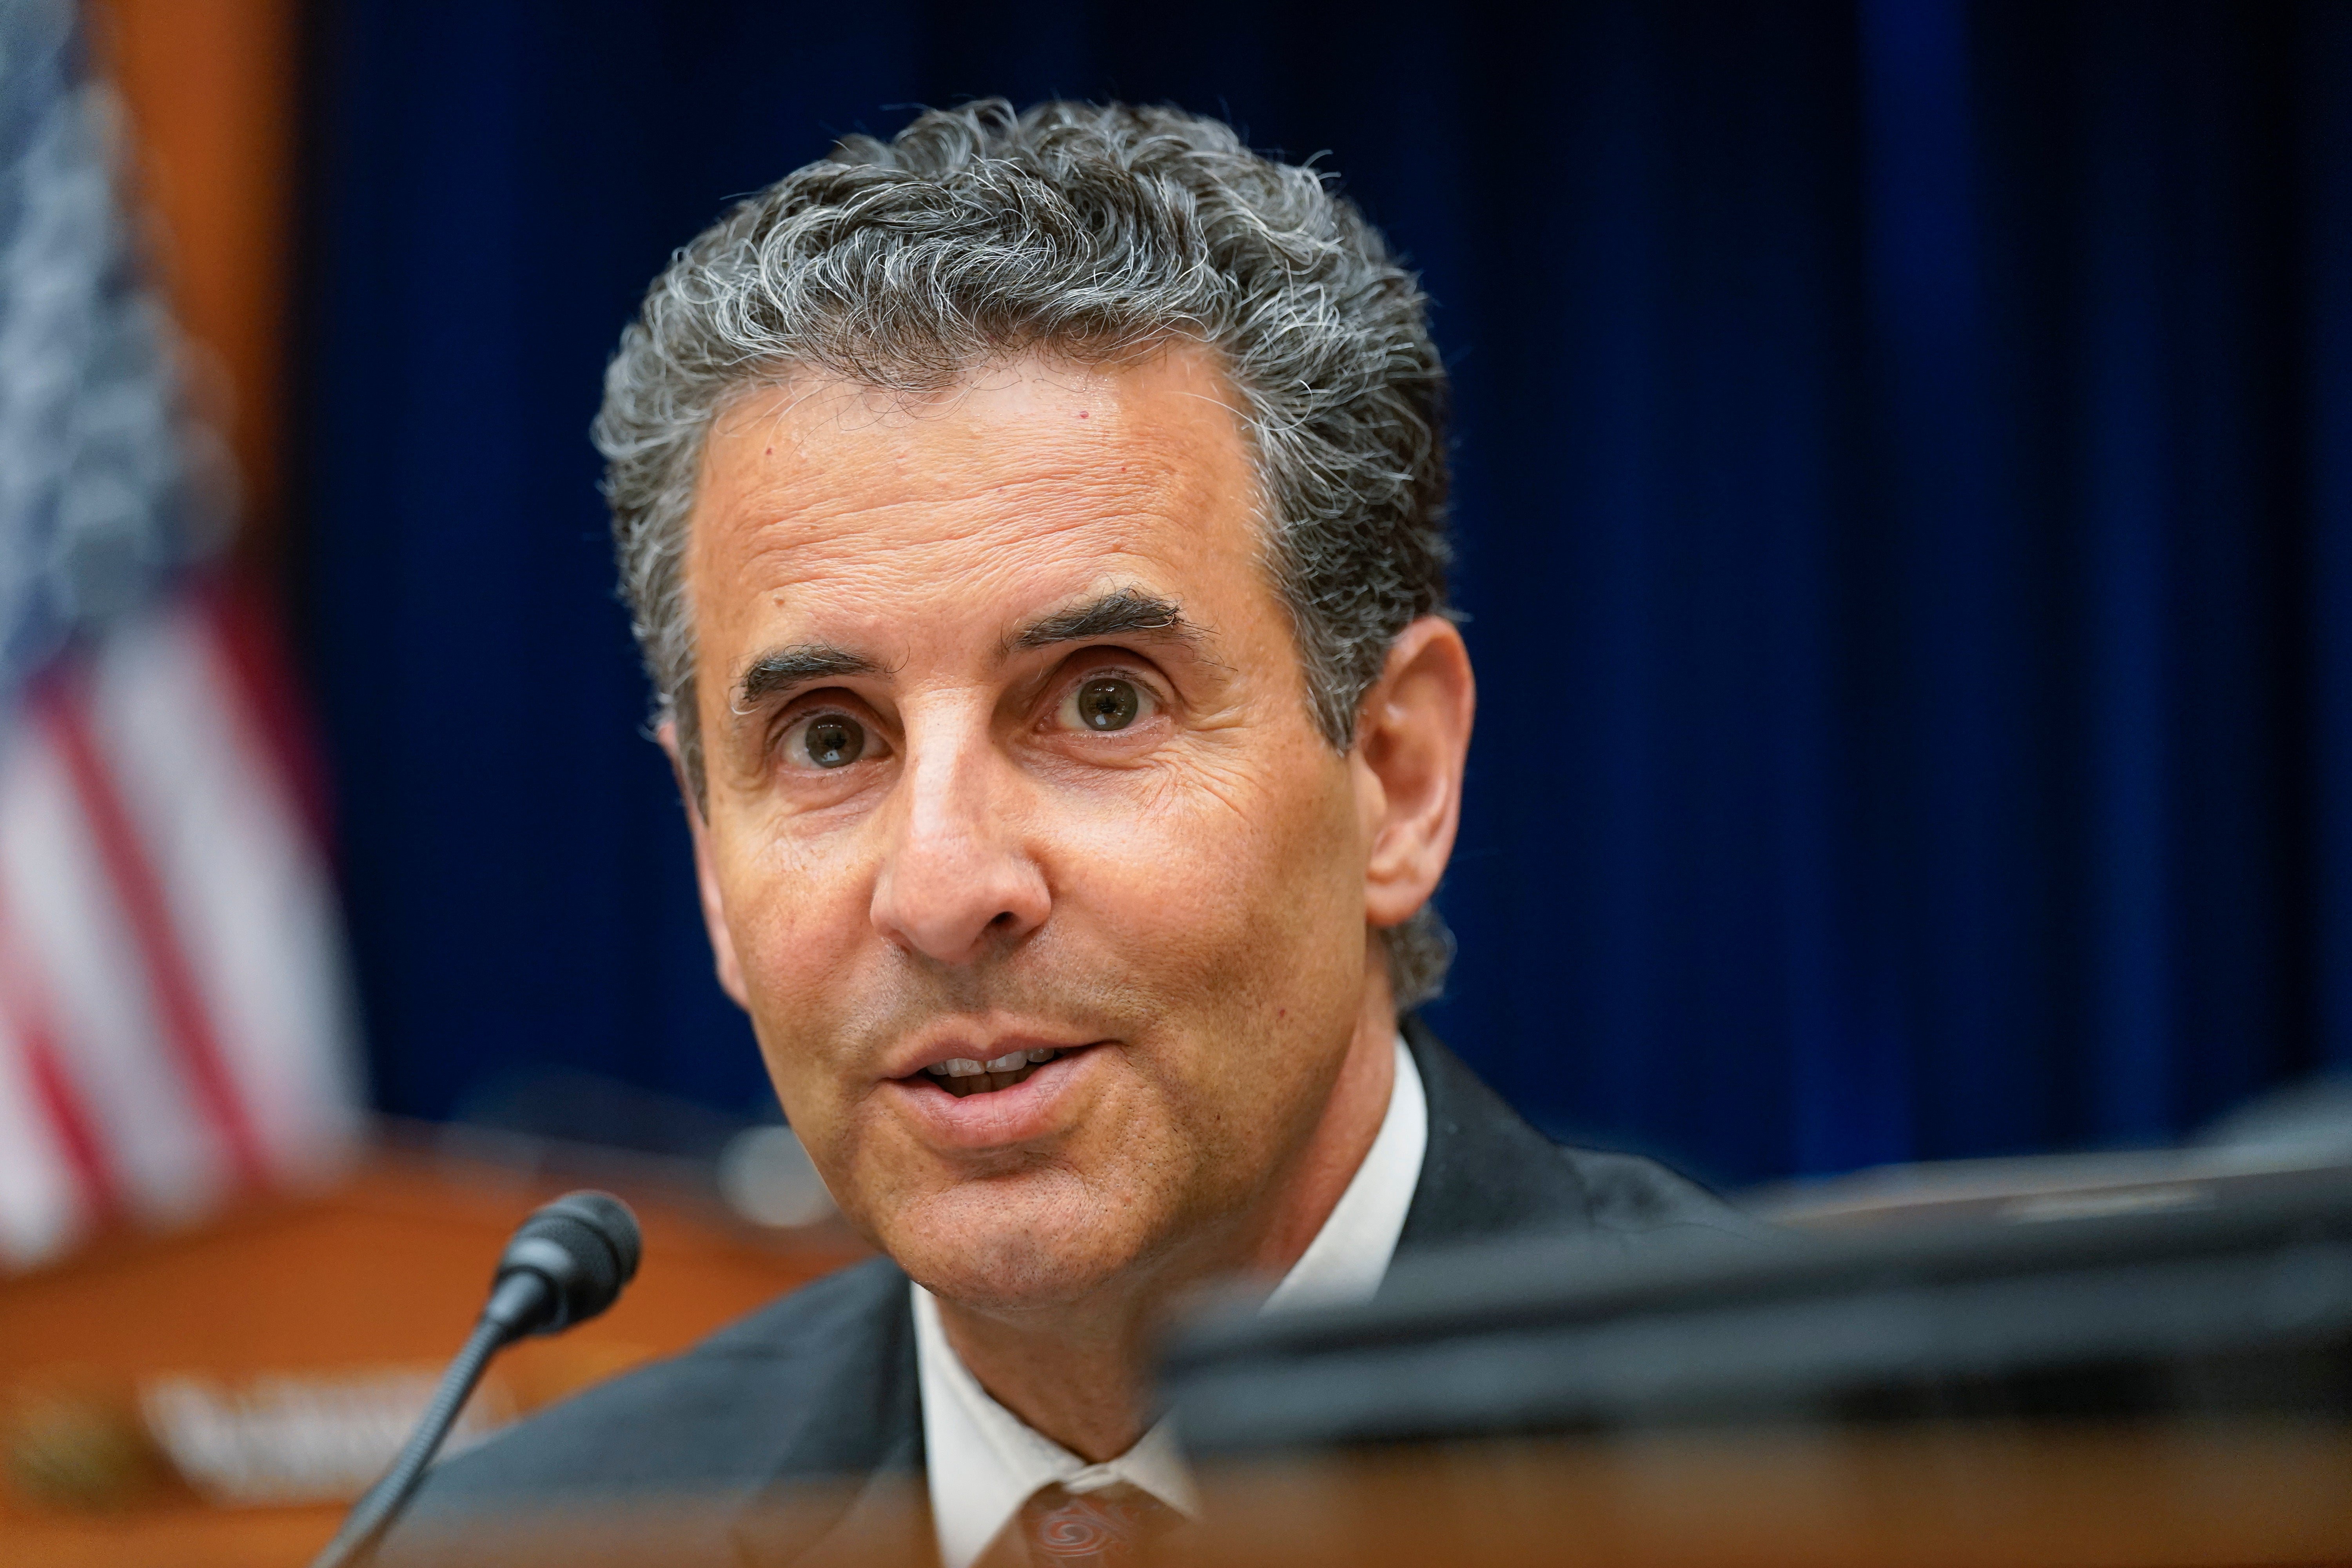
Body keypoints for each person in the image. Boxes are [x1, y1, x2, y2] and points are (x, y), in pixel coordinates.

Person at [390, 98, 1759, 1568]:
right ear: (709, 856)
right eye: (832, 740)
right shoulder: (517, 1547)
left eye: (1103, 704)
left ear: (1395, 773)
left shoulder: (1896, 1485)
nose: (942, 886)